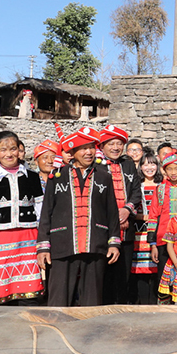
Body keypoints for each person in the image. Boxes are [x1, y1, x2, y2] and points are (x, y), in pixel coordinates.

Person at [37, 127, 121, 307]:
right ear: (73, 152)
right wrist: (43, 247)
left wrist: (114, 243)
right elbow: (46, 213)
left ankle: (89, 335)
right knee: (58, 300)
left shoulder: (104, 176)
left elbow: (112, 212)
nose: (89, 152)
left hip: (95, 244)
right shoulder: (56, 177)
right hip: (62, 244)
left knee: (92, 301)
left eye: (92, 147)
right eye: (83, 148)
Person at [0, 130, 44, 305]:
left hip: (28, 241)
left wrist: (43, 244)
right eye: (3, 150)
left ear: (20, 151)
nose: (9, 154)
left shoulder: (32, 178)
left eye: (13, 149)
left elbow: (41, 211)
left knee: (30, 295)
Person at [98, 125, 141, 305]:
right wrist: (114, 216)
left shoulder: (128, 164)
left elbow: (136, 191)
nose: (115, 147)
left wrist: (127, 209)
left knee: (124, 272)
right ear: (101, 146)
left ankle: (122, 307)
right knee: (105, 271)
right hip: (104, 229)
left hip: (126, 227)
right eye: (111, 143)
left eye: (119, 143)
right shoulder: (95, 166)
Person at [131, 151, 161, 304]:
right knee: (141, 271)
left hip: (158, 232)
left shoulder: (162, 187)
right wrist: (146, 217)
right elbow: (131, 211)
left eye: (153, 163)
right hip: (140, 232)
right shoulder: (138, 187)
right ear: (141, 167)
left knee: (157, 270)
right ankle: (143, 304)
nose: (150, 167)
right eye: (146, 164)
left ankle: (155, 304)